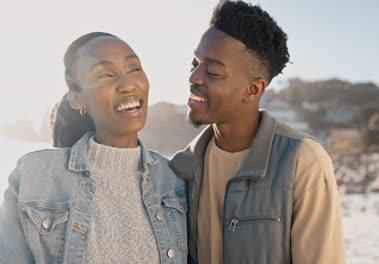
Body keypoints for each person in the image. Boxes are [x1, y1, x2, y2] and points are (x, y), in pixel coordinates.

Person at [169, 1, 345, 263]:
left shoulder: (303, 160)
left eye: (213, 71)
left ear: (253, 90)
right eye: (194, 63)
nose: (194, 77)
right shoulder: (179, 169)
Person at [0, 32, 188, 264]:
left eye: (134, 69)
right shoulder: (34, 176)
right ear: (77, 99)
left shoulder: (176, 181)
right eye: (105, 74)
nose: (127, 85)